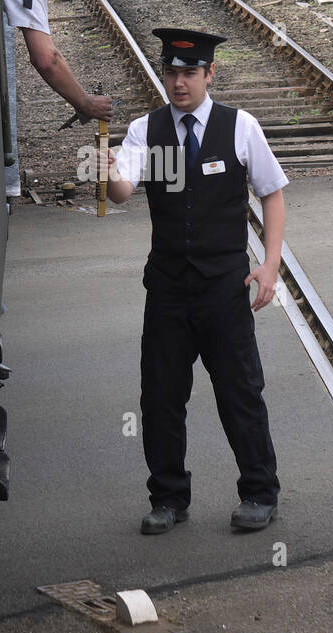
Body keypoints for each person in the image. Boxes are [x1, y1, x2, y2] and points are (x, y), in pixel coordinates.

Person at [103, 29, 286, 535]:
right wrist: (102, 166)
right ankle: (168, 497)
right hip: (167, 287)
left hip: (224, 286)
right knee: (160, 395)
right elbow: (120, 192)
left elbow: (272, 193)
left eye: (189, 73)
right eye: (172, 72)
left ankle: (259, 492)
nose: (179, 82)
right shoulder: (146, 129)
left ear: (209, 74)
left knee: (239, 390)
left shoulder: (240, 127)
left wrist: (269, 264)